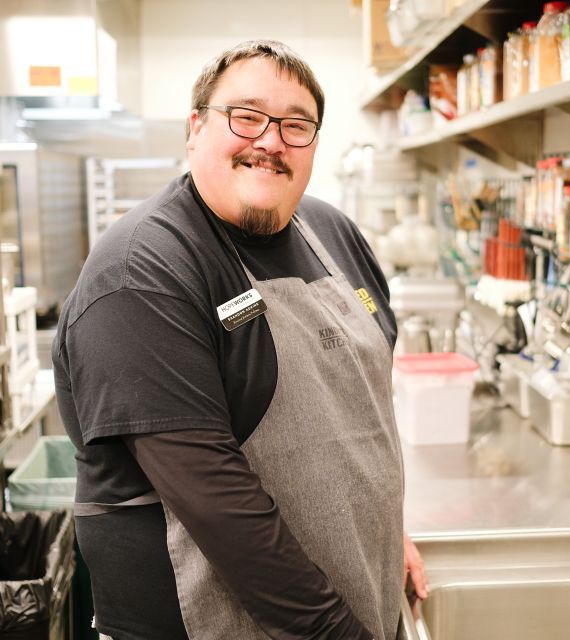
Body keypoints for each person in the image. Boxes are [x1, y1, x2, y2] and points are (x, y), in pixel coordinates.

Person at [52, 39, 428, 640]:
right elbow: (218, 505)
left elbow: (360, 422)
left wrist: (383, 537)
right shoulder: (141, 272)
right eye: (247, 116)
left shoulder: (334, 232)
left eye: (296, 124)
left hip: (350, 605)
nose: (271, 141)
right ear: (196, 127)